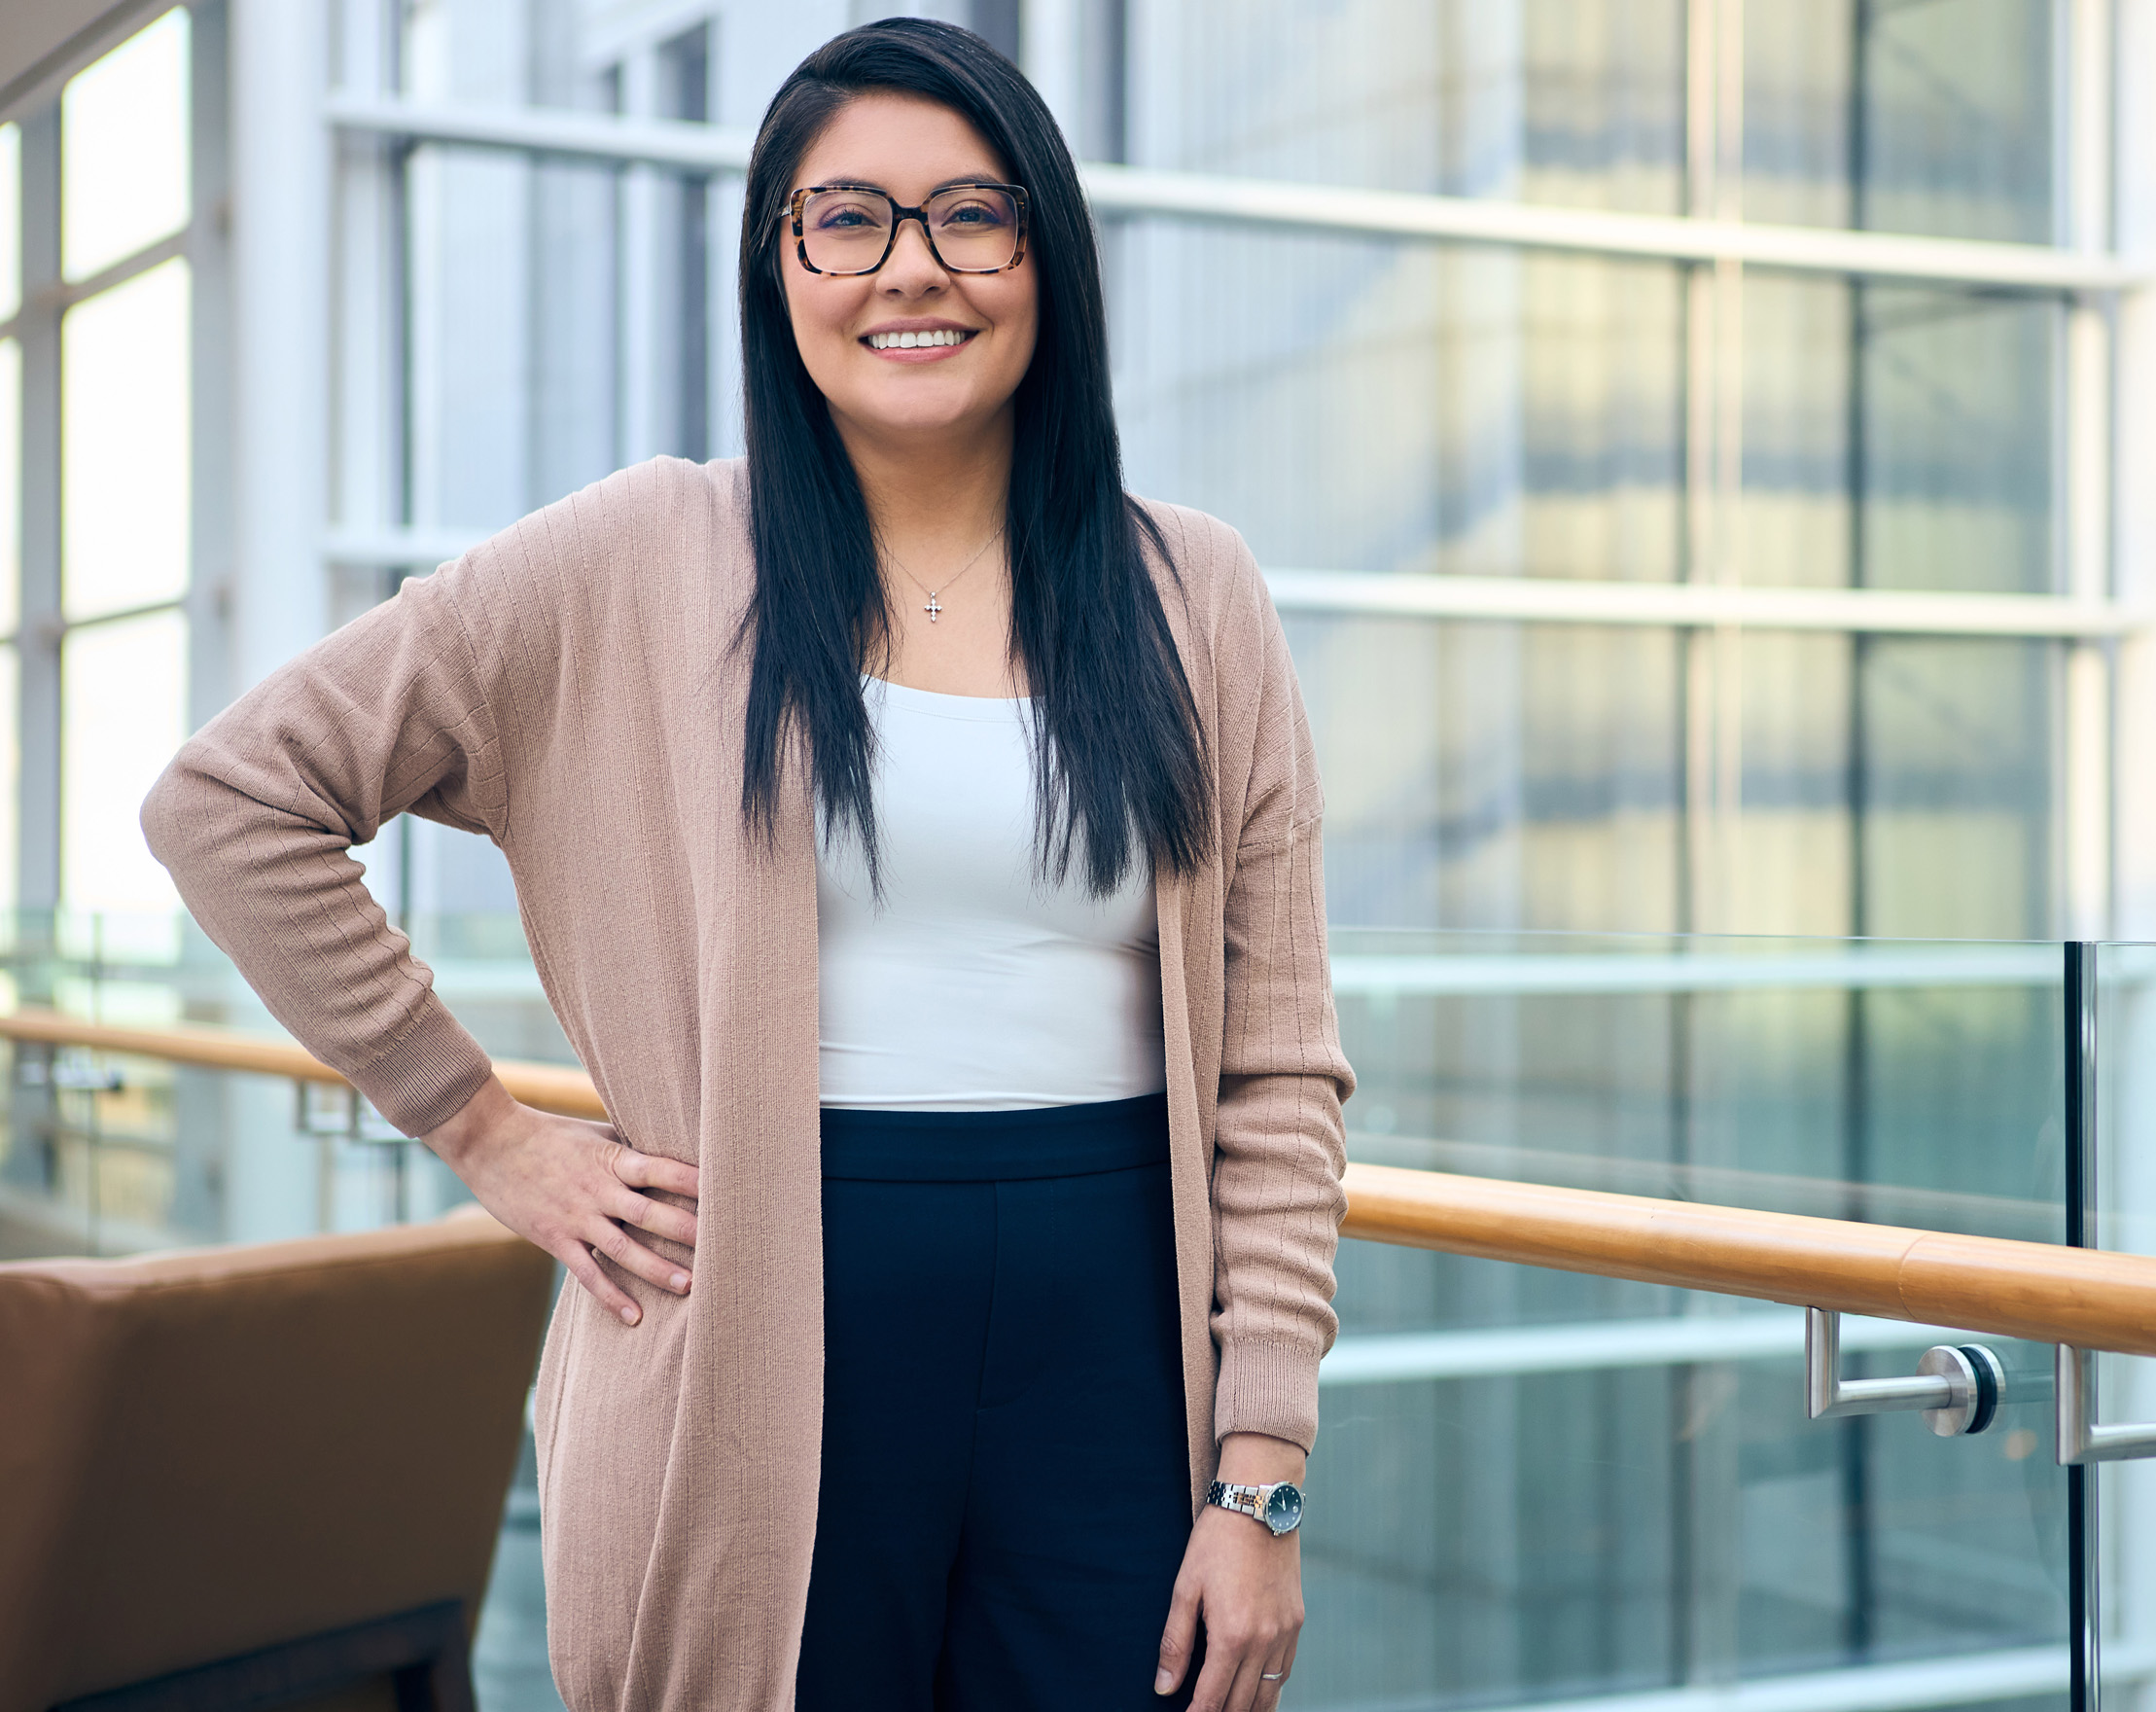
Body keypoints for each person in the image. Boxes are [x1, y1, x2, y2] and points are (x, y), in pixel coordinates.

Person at [141, 18, 1350, 1712]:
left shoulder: (1193, 593)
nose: (911, 268)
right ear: (778, 263)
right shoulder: (641, 556)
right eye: (845, 218)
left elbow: (1278, 1067)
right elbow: (231, 801)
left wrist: (1261, 1474)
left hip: (1119, 1359)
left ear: (1048, 257)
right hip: (748, 1334)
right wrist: (483, 1131)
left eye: (972, 214)